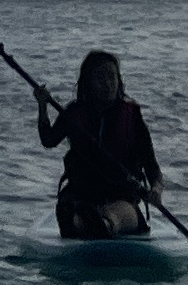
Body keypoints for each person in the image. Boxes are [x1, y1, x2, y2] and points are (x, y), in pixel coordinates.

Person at [36, 48, 166, 239]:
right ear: (88, 83)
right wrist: (42, 106)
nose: (107, 84)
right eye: (100, 78)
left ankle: (103, 224)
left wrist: (156, 189)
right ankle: (79, 222)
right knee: (77, 215)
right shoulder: (74, 113)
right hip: (82, 194)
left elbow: (151, 166)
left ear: (119, 80)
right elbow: (48, 140)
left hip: (122, 198)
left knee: (118, 213)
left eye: (112, 78)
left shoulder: (131, 116)